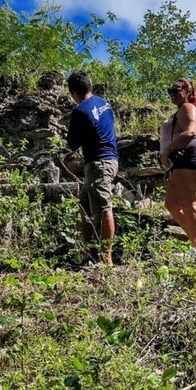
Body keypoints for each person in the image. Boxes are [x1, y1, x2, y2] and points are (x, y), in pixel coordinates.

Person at [66, 70, 119, 266]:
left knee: (104, 208)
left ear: (73, 93)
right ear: (90, 86)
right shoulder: (104, 103)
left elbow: (72, 143)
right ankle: (89, 252)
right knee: (85, 207)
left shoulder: (80, 111)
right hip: (110, 160)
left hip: (99, 163)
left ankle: (106, 258)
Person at [159, 78, 196, 256]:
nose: (172, 94)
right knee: (172, 204)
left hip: (191, 156)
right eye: (170, 90)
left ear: (188, 92)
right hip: (181, 159)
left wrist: (167, 151)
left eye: (176, 90)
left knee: (189, 202)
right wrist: (170, 166)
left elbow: (190, 131)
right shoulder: (181, 109)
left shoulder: (188, 107)